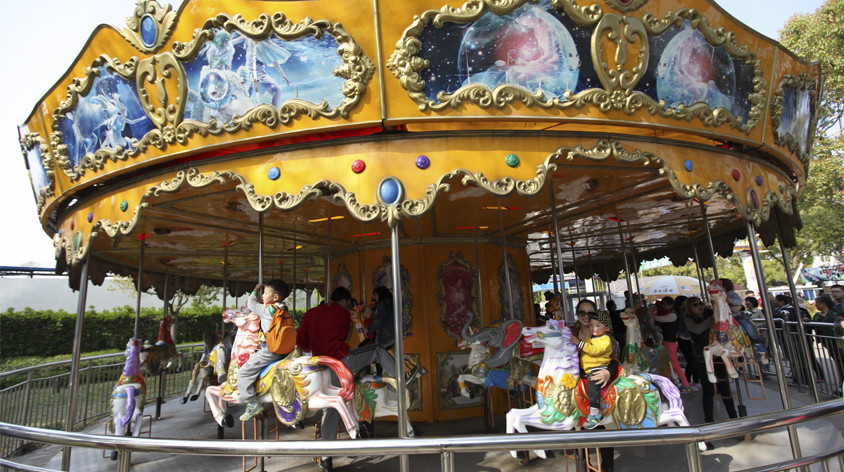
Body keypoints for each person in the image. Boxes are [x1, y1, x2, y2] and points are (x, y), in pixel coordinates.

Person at [297, 287, 418, 471]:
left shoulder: (310, 314)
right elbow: (345, 336)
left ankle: (326, 458)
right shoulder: (344, 314)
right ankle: (402, 376)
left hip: (322, 368)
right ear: (345, 301)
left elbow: (302, 343)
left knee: (330, 411)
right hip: (341, 361)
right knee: (377, 350)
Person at [237, 279, 292, 421]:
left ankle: (251, 402)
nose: (262, 295)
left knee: (242, 373)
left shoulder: (268, 310)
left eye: (265, 293)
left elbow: (251, 304)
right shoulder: (283, 308)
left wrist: (255, 289)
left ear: (275, 297)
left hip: (270, 350)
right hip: (284, 349)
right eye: (262, 292)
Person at [685, 296, 738, 424]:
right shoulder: (689, 319)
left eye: (700, 303)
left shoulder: (710, 313)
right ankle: (709, 420)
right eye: (695, 305)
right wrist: (713, 319)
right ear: (691, 308)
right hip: (701, 358)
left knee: (724, 388)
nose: (699, 306)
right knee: (708, 390)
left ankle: (733, 416)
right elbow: (697, 329)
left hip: (718, 356)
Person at [570, 311, 616, 429]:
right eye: (591, 325)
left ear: (607, 328)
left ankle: (595, 414)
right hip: (586, 370)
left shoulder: (605, 340)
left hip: (599, 369)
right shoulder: (588, 338)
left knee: (592, 386)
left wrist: (579, 343)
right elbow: (578, 350)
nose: (593, 328)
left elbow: (594, 350)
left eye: (597, 325)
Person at [654, 296, 693, 392]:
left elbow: (658, 318)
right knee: (669, 363)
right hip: (667, 340)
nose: (664, 306)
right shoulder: (670, 314)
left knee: (674, 363)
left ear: (672, 305)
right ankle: (675, 381)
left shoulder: (672, 315)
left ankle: (685, 384)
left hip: (670, 341)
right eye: (663, 304)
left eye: (667, 304)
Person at [675, 296, 702, 388]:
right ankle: (688, 380)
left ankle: (694, 380)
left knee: (693, 360)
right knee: (692, 360)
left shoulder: (687, 313)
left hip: (688, 339)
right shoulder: (684, 314)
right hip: (686, 339)